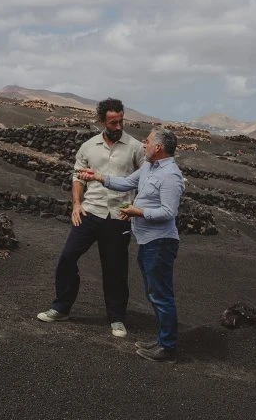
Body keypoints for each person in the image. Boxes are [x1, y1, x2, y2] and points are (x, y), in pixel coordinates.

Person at [37, 98, 145, 338]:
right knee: (67, 258)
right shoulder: (88, 147)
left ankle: (116, 318)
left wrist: (136, 207)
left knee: (115, 269)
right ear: (101, 121)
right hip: (90, 212)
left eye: (121, 121)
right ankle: (61, 307)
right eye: (113, 122)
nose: (118, 126)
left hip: (119, 216)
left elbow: (146, 179)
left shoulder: (136, 148)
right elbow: (78, 177)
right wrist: (76, 203)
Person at [79, 127, 184, 363]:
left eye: (147, 142)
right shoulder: (148, 166)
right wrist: (97, 176)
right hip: (148, 242)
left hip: (161, 243)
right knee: (155, 293)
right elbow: (126, 182)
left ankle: (167, 347)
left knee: (161, 295)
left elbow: (169, 212)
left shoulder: (171, 176)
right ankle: (162, 340)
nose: (143, 145)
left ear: (158, 148)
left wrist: (138, 211)